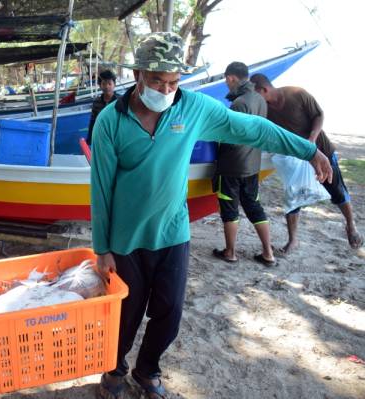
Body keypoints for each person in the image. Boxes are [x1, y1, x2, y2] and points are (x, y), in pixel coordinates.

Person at [91, 32, 332, 399]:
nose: (166, 89)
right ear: (138, 74)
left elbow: (252, 128)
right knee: (125, 314)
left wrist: (307, 149)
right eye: (157, 80)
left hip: (172, 232)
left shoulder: (194, 108)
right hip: (124, 238)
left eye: (173, 82)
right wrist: (102, 247)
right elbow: (101, 186)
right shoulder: (111, 120)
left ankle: (147, 370)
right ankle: (114, 369)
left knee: (169, 313)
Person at [250, 73, 363, 252]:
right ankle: (293, 240)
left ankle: (351, 225)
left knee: (337, 189)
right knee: (293, 195)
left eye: (255, 94)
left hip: (322, 150)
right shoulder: (265, 110)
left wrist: (311, 140)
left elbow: (318, 115)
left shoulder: (297, 93)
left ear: (264, 89)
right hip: (296, 158)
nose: (254, 99)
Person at [212, 62, 275, 266]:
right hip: (252, 165)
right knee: (254, 207)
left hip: (232, 166)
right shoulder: (260, 100)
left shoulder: (239, 103)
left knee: (230, 209)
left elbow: (230, 137)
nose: (226, 85)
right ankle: (268, 253)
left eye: (226, 81)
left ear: (231, 78)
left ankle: (230, 252)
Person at [86, 69, 118, 145]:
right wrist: (90, 138)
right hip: (101, 138)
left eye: (109, 84)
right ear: (100, 85)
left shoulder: (119, 102)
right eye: (104, 84)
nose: (107, 86)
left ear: (114, 85)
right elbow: (93, 121)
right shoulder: (96, 102)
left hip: (116, 138)